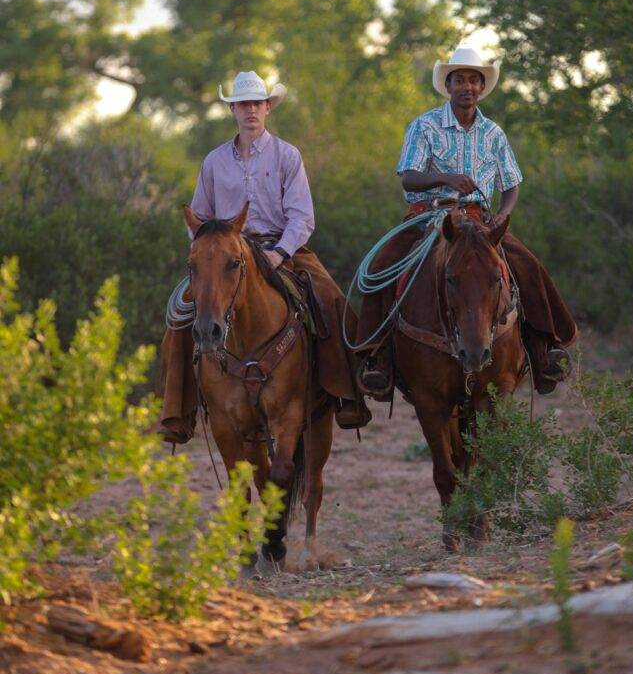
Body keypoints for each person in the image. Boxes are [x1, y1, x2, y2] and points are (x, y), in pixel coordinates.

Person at [159, 70, 371, 442]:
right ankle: (178, 411)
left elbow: (302, 216)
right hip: (225, 254)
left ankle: (347, 394)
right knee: (181, 310)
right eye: (243, 104)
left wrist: (279, 253)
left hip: (281, 248)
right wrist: (207, 251)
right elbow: (198, 217)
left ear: (268, 107)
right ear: (233, 111)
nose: (251, 110)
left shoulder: (288, 155)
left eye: (257, 103)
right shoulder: (213, 162)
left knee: (328, 297)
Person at [355, 46, 577, 398]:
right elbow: (409, 178)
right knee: (384, 264)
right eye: (459, 80)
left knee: (527, 266)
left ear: (481, 87)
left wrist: (504, 212)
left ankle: (543, 348)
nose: (467, 87)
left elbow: (512, 183)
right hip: (429, 217)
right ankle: (376, 357)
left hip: (479, 220)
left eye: (474, 81)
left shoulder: (493, 133)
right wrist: (447, 178)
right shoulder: (424, 125)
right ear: (448, 85)